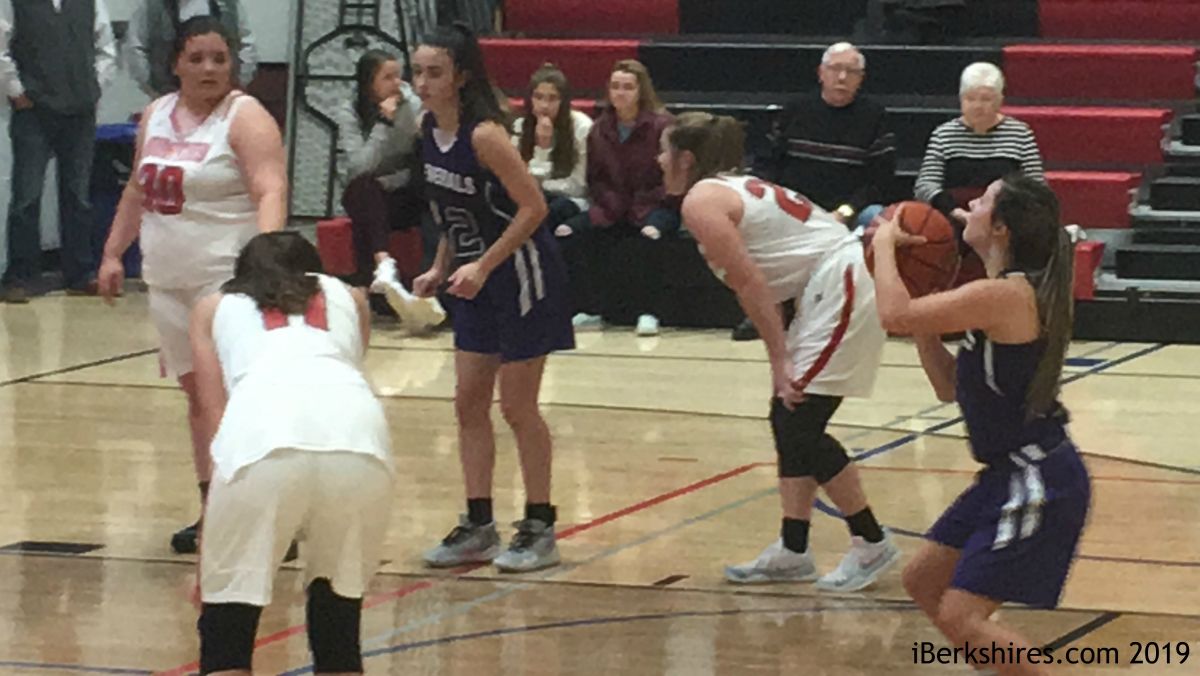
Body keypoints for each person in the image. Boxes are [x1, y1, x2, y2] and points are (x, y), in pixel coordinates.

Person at [660, 111, 898, 590]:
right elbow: (771, 275)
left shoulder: (701, 200)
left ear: (685, 159)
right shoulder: (732, 188)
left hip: (841, 278)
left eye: (664, 151)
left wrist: (779, 358)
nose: (657, 159)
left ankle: (871, 542)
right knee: (788, 416)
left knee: (800, 424)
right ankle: (793, 548)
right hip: (823, 286)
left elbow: (750, 282)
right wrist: (784, 350)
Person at [874, 175, 1090, 676]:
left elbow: (893, 315)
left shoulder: (1006, 295)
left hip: (1036, 477)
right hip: (1006, 474)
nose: (970, 204)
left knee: (962, 616)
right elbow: (948, 386)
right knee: (924, 582)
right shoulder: (999, 294)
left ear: (1001, 229)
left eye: (984, 200)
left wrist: (884, 243)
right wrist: (924, 317)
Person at [97, 16, 288, 555]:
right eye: (197, 58)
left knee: (232, 399)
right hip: (167, 280)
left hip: (225, 280)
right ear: (176, 64)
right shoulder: (157, 113)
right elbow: (137, 190)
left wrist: (266, 258)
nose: (209, 68)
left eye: (219, 59)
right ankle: (215, 509)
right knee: (199, 400)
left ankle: (265, 510)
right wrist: (112, 252)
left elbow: (271, 189)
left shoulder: (246, 117)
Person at [189, 231, 393, 676]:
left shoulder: (212, 307)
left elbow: (215, 415)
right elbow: (347, 363)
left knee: (227, 629)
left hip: (261, 438)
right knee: (338, 624)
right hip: (359, 440)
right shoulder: (352, 297)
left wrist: (210, 529)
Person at [410, 24, 574, 573]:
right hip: (473, 277)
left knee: (517, 407)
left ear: (460, 76)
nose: (423, 83)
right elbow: (451, 211)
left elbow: (534, 208)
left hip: (522, 273)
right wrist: (441, 265)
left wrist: (483, 264)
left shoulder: (485, 136)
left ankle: (540, 527)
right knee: (467, 402)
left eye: (434, 73)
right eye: (417, 72)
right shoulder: (426, 130)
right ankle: (479, 525)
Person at [738, 41, 894, 340]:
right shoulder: (795, 110)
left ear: (861, 79)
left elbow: (880, 180)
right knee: (753, 214)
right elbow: (767, 165)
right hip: (791, 207)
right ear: (821, 73)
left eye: (851, 72)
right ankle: (768, 308)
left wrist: (845, 211)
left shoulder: (875, 116)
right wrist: (778, 204)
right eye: (835, 69)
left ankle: (862, 313)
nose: (842, 77)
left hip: (847, 209)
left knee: (877, 219)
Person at [0, 0, 117, 302]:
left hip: (80, 112)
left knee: (77, 196)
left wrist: (93, 89)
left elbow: (106, 49)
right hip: (33, 112)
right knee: (27, 197)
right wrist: (17, 92)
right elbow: (1, 47)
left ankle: (80, 273)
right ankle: (20, 276)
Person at [565, 59, 676, 336]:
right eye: (615, 86)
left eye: (628, 87)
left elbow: (670, 178)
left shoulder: (662, 126)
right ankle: (590, 309)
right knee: (570, 231)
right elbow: (595, 178)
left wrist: (644, 204)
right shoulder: (600, 129)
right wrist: (609, 204)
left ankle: (649, 312)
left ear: (641, 91)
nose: (620, 93)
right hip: (611, 205)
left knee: (651, 235)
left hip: (655, 204)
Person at [335, 48, 444, 328]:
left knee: (375, 195)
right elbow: (359, 166)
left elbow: (416, 160)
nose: (397, 83)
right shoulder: (349, 110)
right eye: (387, 77)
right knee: (364, 191)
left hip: (405, 188)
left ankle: (381, 280)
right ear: (369, 83)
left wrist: (389, 181)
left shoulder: (412, 104)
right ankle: (383, 264)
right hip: (370, 192)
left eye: (399, 75)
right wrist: (383, 123)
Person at [915, 62, 1044, 287]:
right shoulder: (943, 134)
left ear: (1000, 101)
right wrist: (959, 213)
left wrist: (997, 215)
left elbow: (1036, 185)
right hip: (955, 216)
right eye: (970, 99)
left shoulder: (1020, 133)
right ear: (960, 99)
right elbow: (925, 185)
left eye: (986, 99)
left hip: (1004, 216)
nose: (978, 106)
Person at [511, 62, 592, 236]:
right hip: (534, 198)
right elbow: (516, 179)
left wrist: (544, 147)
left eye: (552, 98)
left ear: (563, 101)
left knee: (550, 210)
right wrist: (541, 149)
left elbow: (579, 187)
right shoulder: (520, 126)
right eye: (538, 97)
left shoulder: (581, 127)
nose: (544, 105)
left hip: (572, 199)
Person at [126, 0, 258, 97]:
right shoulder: (151, 5)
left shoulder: (229, 5)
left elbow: (247, 44)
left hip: (224, 97)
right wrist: (155, 92)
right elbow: (136, 48)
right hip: (166, 94)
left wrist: (237, 84)